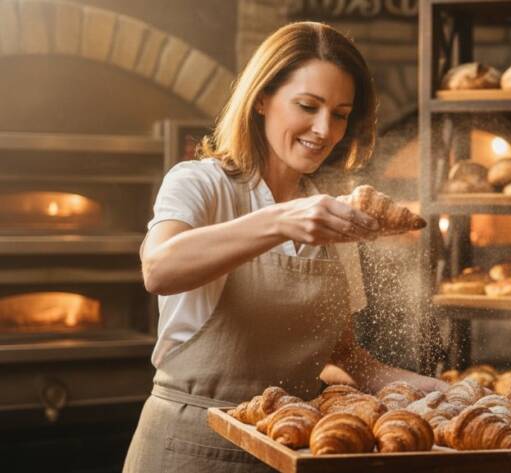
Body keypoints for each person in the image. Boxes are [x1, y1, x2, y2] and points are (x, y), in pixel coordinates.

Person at [124, 22, 446, 472]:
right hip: (189, 449)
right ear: (261, 99)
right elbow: (159, 269)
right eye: (308, 106)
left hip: (291, 451)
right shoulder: (200, 183)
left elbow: (347, 359)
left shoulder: (330, 213)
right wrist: (281, 220)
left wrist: (430, 390)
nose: (323, 129)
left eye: (340, 113)